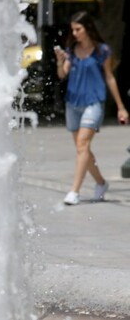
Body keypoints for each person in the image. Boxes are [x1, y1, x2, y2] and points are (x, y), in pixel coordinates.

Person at [55, 11, 129, 205]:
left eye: (78, 29)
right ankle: (101, 183)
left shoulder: (101, 51)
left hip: (94, 102)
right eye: (73, 29)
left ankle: (74, 192)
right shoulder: (72, 50)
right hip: (73, 103)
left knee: (82, 146)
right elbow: (62, 75)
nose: (75, 33)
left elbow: (109, 77)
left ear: (87, 28)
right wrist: (60, 61)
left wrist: (121, 107)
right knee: (83, 149)